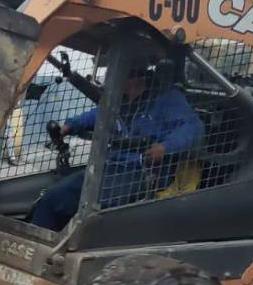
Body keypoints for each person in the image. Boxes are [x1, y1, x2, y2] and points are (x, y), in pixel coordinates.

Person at [30, 66, 203, 231]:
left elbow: (193, 127)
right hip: (109, 168)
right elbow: (98, 113)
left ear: (133, 77)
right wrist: (69, 126)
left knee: (97, 211)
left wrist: (165, 148)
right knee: (52, 199)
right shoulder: (118, 100)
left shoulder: (167, 98)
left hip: (144, 172)